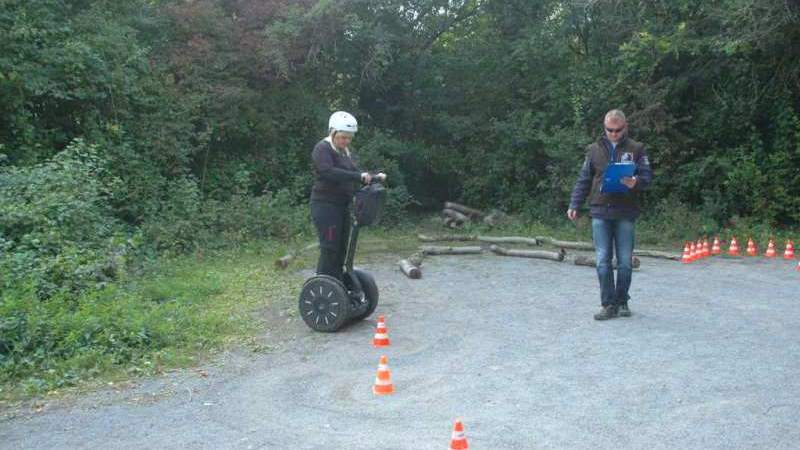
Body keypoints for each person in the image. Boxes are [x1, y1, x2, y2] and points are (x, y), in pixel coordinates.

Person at [567, 109, 653, 320]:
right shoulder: (593, 150)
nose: (614, 134)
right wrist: (574, 204)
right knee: (603, 260)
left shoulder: (637, 149)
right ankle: (607, 304)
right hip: (600, 211)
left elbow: (647, 176)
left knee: (624, 261)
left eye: (618, 130)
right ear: (604, 128)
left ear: (625, 128)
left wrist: (636, 182)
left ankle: (622, 301)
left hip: (625, 211)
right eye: (609, 130)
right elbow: (584, 179)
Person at [310, 111, 385, 281]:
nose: (346, 141)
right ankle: (322, 284)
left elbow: (353, 173)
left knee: (342, 248)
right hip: (325, 207)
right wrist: (358, 177)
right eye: (343, 137)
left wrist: (372, 177)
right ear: (333, 132)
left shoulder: (345, 152)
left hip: (342, 206)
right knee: (330, 247)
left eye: (349, 138)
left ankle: (337, 284)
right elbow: (328, 172)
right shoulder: (322, 148)